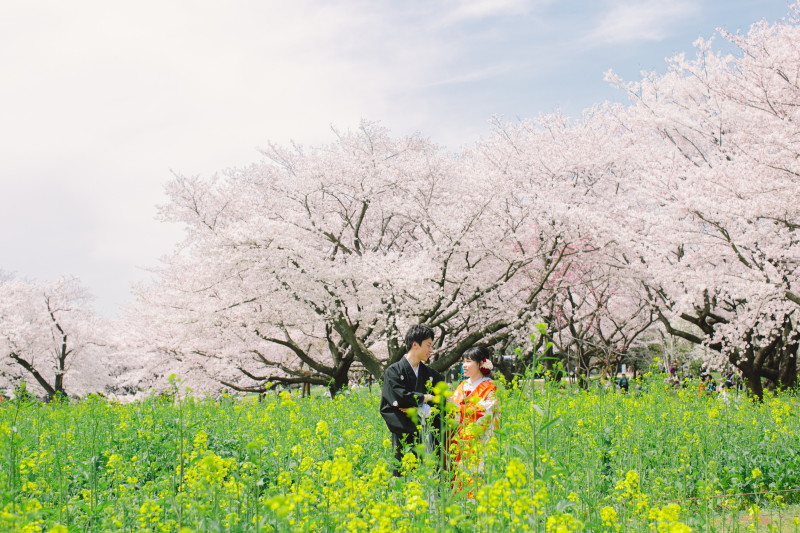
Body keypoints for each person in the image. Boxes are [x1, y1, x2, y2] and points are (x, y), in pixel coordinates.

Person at [379, 324, 445, 477]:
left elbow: (442, 403)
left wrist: (419, 410)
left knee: (430, 484)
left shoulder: (432, 375)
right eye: (428, 345)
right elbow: (395, 401)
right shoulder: (393, 371)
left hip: (429, 437)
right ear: (415, 345)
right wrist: (425, 398)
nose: (431, 350)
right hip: (404, 438)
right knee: (405, 481)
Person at [448, 346, 499, 494]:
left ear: (481, 364)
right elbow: (453, 410)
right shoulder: (463, 385)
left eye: (469, 361)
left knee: (477, 479)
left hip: (479, 441)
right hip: (460, 441)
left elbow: (486, 413)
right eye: (463, 361)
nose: (464, 365)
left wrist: (459, 407)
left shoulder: (490, 386)